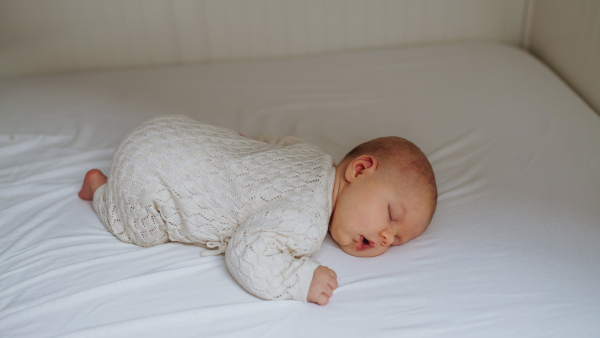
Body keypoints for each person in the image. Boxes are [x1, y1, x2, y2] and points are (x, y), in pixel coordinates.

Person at [79, 115, 437, 306]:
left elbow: (272, 143)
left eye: (398, 239)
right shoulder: (307, 219)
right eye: (392, 215)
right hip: (147, 176)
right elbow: (246, 251)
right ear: (358, 170)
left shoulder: (313, 157)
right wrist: (299, 280)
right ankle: (101, 188)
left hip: (168, 132)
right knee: (141, 230)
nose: (387, 237)